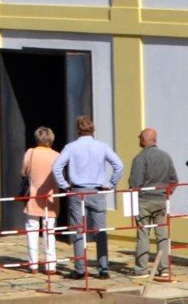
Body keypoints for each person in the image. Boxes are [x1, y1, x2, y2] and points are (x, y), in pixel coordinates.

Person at [53, 114, 123, 279]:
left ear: (78, 130)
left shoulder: (71, 147)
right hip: (97, 190)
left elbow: (56, 167)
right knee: (101, 231)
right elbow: (119, 165)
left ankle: (80, 268)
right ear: (93, 129)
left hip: (77, 191)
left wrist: (65, 185)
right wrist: (111, 184)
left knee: (79, 230)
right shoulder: (102, 146)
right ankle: (103, 268)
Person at [126, 127, 178, 279]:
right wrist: (166, 193)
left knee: (143, 234)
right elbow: (174, 180)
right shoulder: (165, 156)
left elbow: (135, 183)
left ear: (143, 140)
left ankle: (141, 269)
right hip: (161, 200)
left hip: (144, 201)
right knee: (162, 234)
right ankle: (165, 268)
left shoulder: (140, 158)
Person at [19, 125, 60, 275]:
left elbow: (23, 171)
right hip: (51, 196)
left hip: (33, 196)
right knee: (50, 231)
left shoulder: (31, 152)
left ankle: (33, 264)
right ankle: (50, 266)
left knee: (32, 229)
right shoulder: (57, 155)